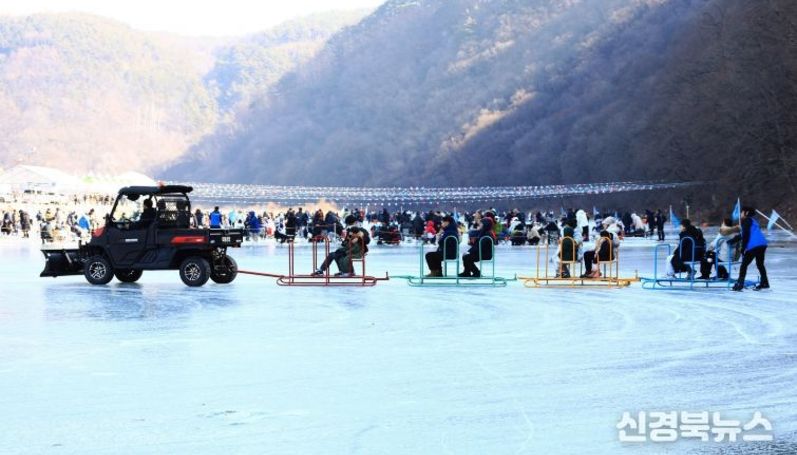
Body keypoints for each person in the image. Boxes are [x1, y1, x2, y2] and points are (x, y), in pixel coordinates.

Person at [731, 207, 769, 291]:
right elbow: (742, 234)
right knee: (760, 264)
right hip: (762, 244)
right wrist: (731, 241)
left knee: (744, 265)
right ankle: (765, 283)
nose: (740, 214)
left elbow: (746, 235)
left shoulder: (746, 221)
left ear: (746, 212)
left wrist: (743, 248)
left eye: (742, 213)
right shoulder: (753, 221)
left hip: (754, 245)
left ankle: (740, 284)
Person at [459, 212, 496, 278]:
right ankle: (467, 272)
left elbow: (479, 246)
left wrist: (469, 252)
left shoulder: (487, 234)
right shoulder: (483, 232)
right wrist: (469, 251)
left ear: (485, 224)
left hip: (485, 254)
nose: (480, 225)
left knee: (467, 257)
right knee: (466, 256)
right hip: (481, 252)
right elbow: (477, 245)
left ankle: (476, 272)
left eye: (481, 224)